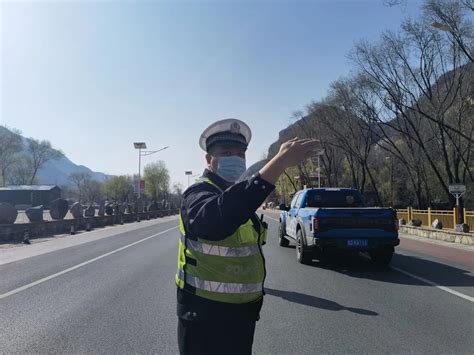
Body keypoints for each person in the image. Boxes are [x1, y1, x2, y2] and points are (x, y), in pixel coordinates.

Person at [176, 118, 320, 354]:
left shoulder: (235, 194)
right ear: (209, 159)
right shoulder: (198, 193)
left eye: (241, 153)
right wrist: (280, 162)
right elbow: (216, 220)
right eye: (227, 152)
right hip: (204, 319)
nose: (236, 158)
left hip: (240, 317)